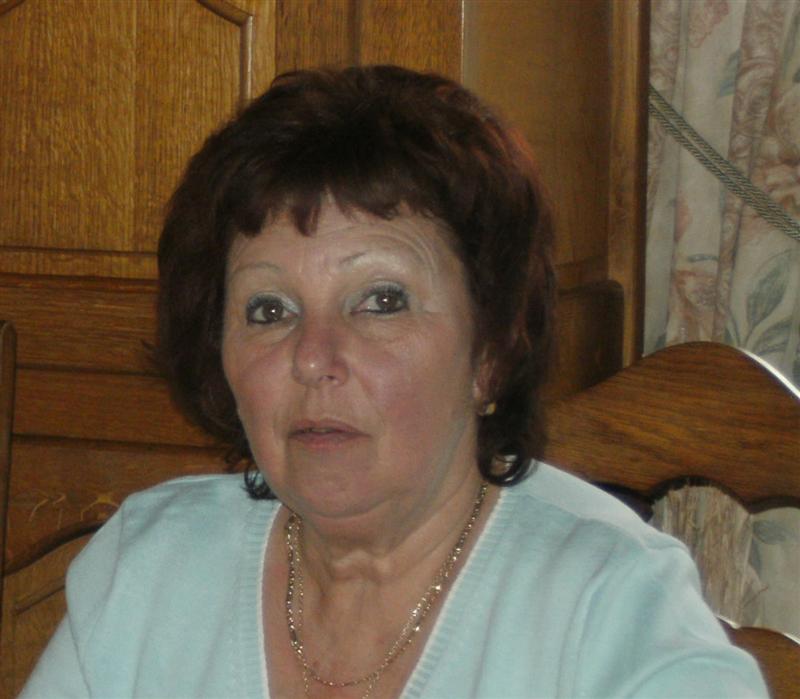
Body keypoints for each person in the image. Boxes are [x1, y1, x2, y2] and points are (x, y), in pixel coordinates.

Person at [21, 65, 767, 699]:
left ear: (491, 349)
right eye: (269, 309)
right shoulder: (149, 569)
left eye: (381, 301)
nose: (313, 356)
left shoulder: (611, 605)